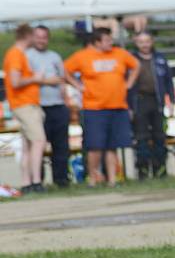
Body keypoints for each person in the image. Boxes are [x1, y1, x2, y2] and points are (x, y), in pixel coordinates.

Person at [64, 28, 140, 187]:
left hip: (117, 106)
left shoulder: (119, 53)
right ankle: (92, 178)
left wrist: (129, 83)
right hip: (94, 107)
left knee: (112, 146)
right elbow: (64, 70)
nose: (110, 43)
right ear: (96, 42)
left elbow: (136, 65)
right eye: (106, 40)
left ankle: (112, 179)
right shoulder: (83, 56)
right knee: (95, 146)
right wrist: (77, 85)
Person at [3, 24, 60, 193]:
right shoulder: (16, 54)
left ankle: (27, 183)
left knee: (28, 146)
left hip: (25, 104)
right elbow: (15, 81)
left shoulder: (18, 54)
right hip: (24, 104)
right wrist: (35, 78)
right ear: (28, 37)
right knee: (39, 141)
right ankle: (36, 182)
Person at [26, 25, 77, 188]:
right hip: (38, 108)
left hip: (58, 106)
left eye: (44, 37)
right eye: (38, 37)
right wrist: (46, 81)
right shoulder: (27, 56)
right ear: (33, 38)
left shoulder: (54, 56)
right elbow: (27, 80)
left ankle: (61, 179)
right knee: (38, 146)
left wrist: (66, 102)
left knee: (61, 146)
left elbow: (62, 80)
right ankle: (37, 180)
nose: (41, 40)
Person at [128, 32, 175, 179]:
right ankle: (142, 170)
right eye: (141, 42)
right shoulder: (131, 60)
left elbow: (168, 81)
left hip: (157, 101)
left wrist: (172, 101)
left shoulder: (160, 58)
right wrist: (129, 106)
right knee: (141, 137)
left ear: (152, 42)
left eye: (147, 41)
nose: (145, 45)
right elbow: (127, 86)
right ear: (136, 43)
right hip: (139, 102)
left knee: (159, 137)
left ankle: (160, 169)